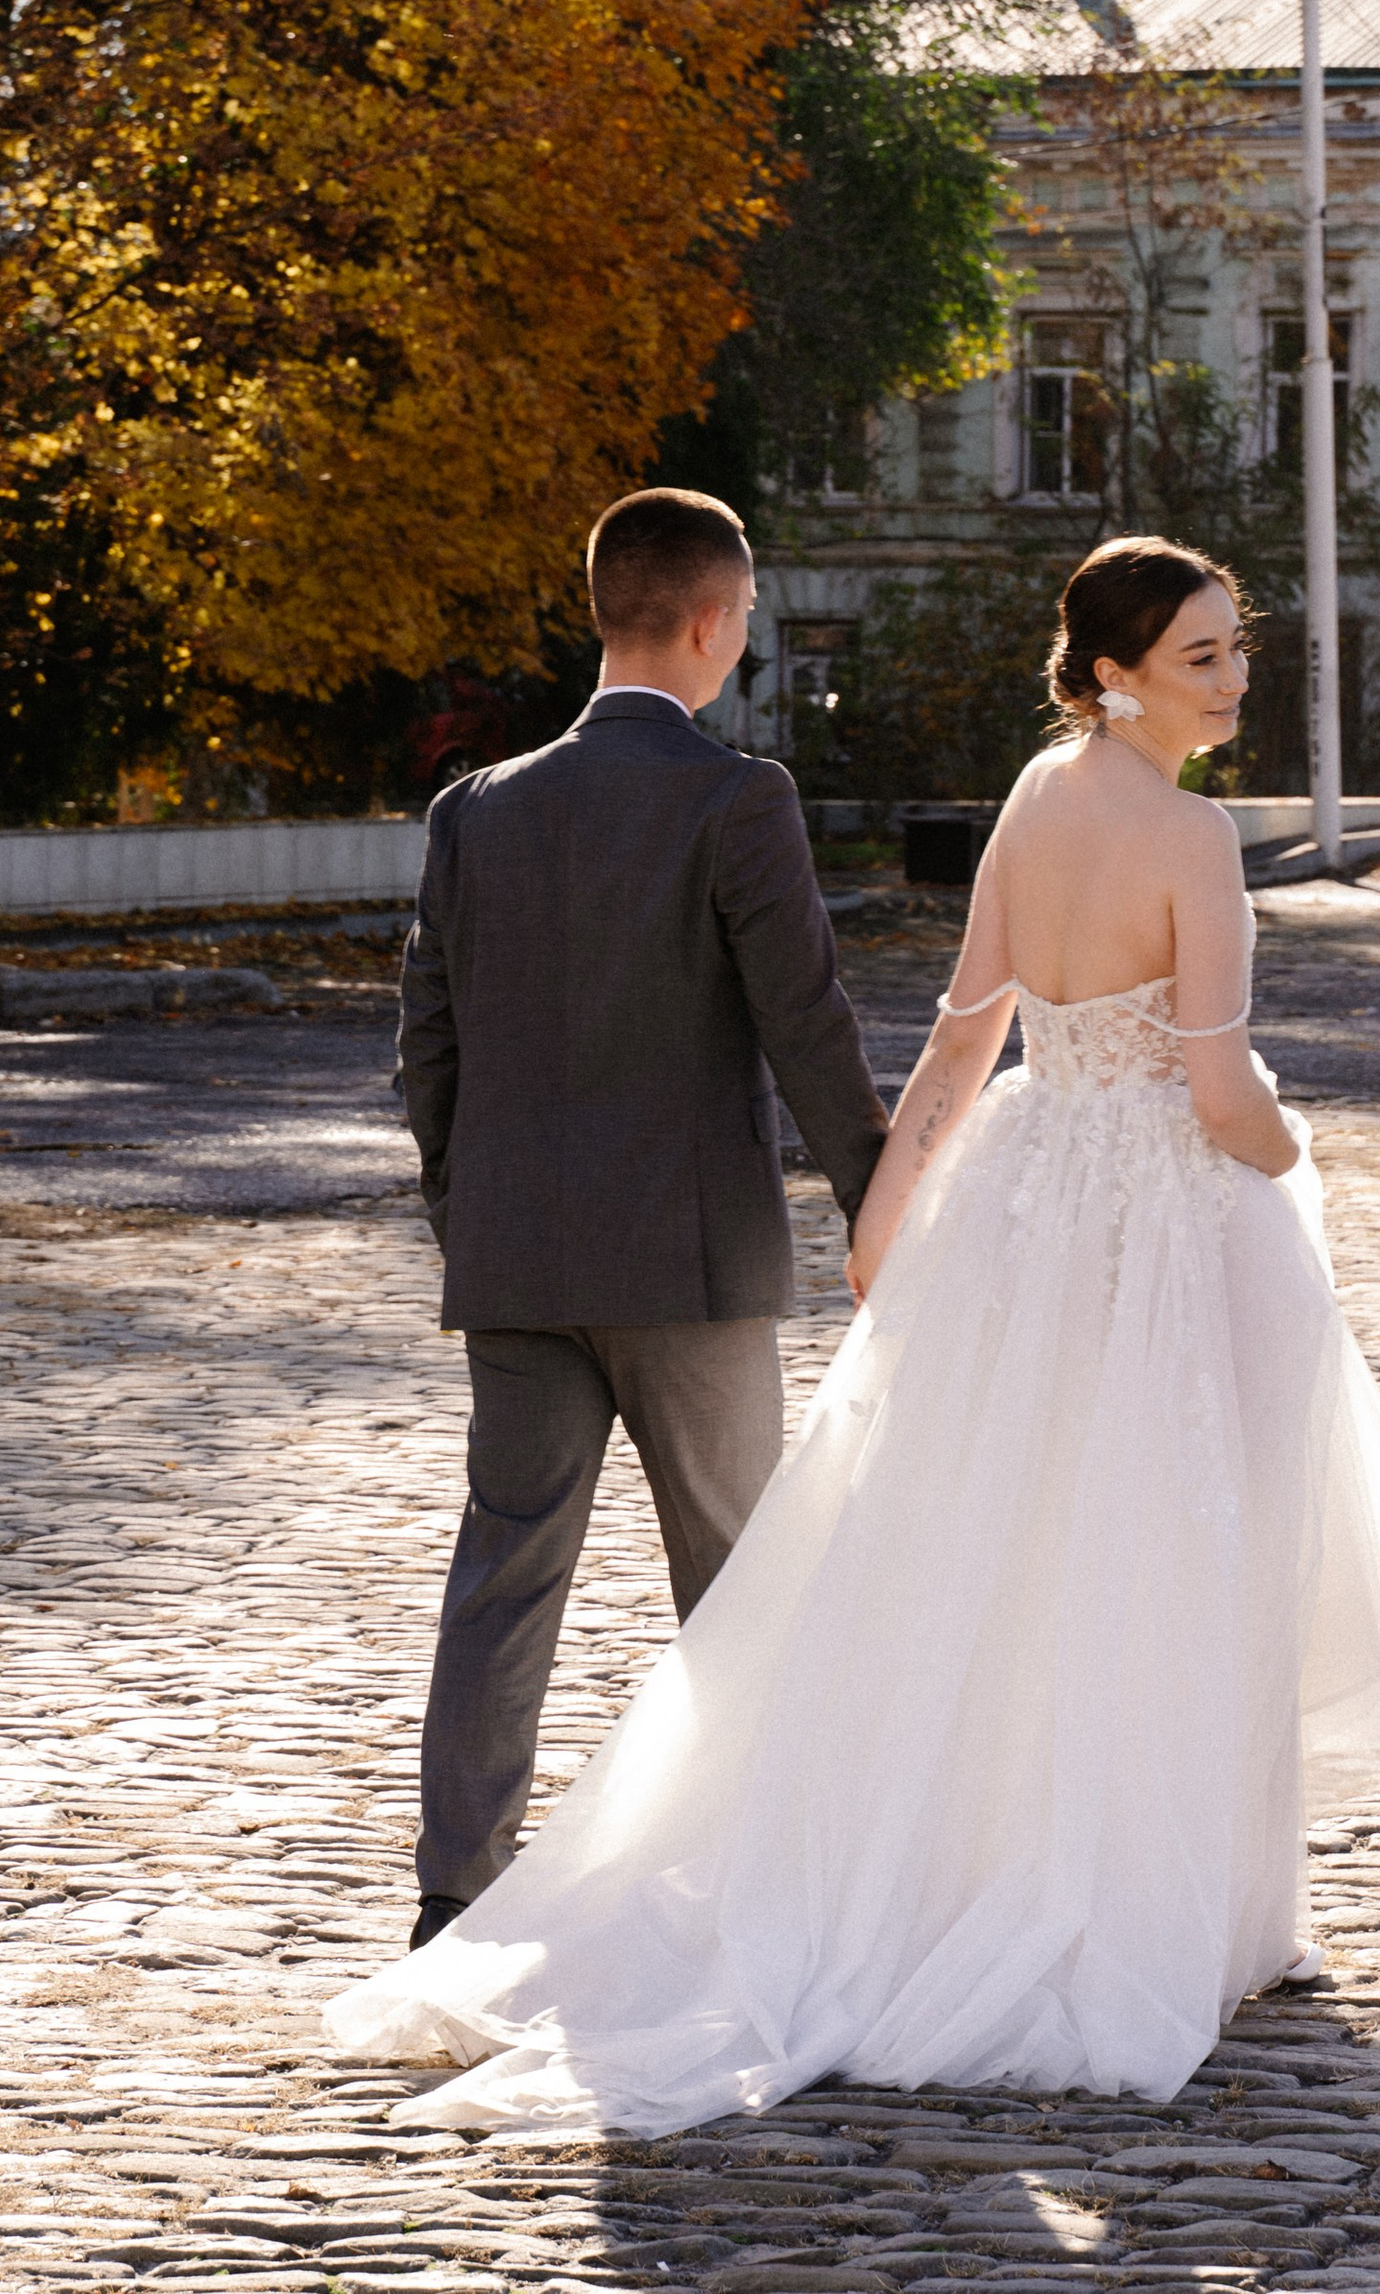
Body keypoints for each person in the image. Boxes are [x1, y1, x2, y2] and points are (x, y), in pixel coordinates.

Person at [328, 534, 1380, 2131]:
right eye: (1207, 652)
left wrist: (887, 1220)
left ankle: (496, 1892)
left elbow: (951, 1039)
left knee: (940, 1556)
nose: (1234, 674)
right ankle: (1066, 1895)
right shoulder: (1161, 835)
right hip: (1075, 1223)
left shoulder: (1001, 800)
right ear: (1119, 669)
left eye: (1235, 648)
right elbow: (1173, 1087)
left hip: (935, 1216)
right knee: (1088, 1557)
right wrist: (1299, 1155)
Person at [390, 485, 891, 1955]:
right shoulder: (741, 800)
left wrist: (468, 1210)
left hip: (519, 1259)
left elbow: (428, 1045)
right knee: (737, 1580)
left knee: (503, 1576)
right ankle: (766, 1887)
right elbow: (808, 1027)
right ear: (710, 623)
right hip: (692, 1270)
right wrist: (884, 1212)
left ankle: (454, 1891)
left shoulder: (476, 808)